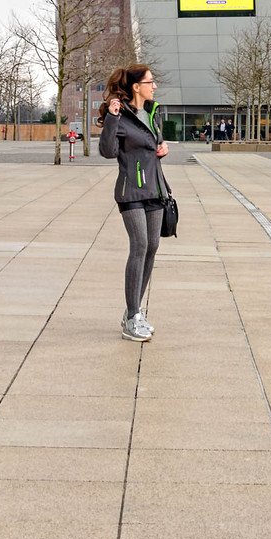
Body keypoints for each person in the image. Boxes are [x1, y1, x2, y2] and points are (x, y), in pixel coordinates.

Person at [98, 65, 169, 343]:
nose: (154, 86)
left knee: (152, 246)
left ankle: (134, 313)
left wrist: (162, 148)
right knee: (139, 246)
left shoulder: (151, 112)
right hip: (131, 191)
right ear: (136, 86)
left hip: (155, 188)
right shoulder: (120, 114)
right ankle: (132, 316)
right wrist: (113, 119)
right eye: (150, 81)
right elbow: (107, 151)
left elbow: (155, 143)